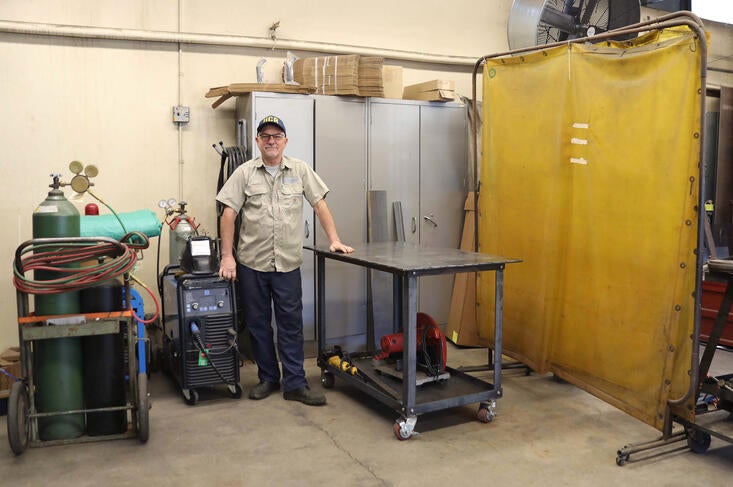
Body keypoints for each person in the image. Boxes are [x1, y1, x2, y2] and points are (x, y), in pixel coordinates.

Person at [216, 114, 354, 406]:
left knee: (290, 324)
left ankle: (295, 383)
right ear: (257, 141)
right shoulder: (244, 173)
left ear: (285, 141)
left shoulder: (300, 169)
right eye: (265, 136)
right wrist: (227, 257)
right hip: (252, 264)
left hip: (287, 264)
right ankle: (268, 378)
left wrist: (335, 239)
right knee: (258, 323)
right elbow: (228, 214)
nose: (271, 141)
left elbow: (319, 205)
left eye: (276, 136)